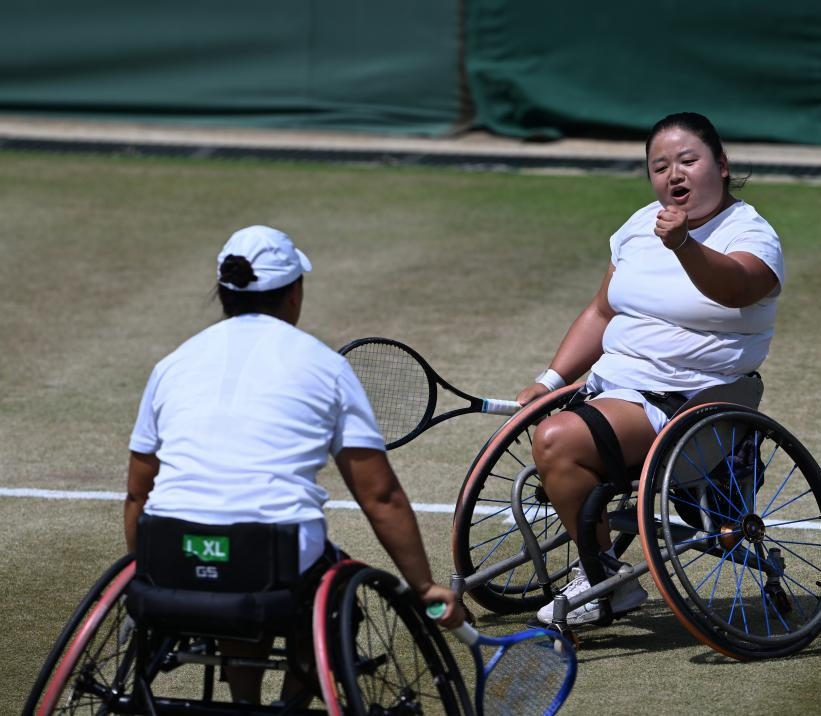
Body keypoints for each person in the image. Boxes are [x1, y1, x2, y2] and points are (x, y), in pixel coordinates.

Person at [123, 225, 462, 704]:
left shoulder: (171, 365)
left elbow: (138, 493)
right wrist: (423, 585)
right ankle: (290, 706)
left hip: (168, 554)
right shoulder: (326, 367)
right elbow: (380, 496)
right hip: (268, 557)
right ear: (294, 293)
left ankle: (244, 703)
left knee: (236, 574)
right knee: (322, 593)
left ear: (223, 292)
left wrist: (147, 574)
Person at [517, 112, 784, 626]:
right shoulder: (641, 224)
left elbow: (735, 288)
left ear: (722, 165)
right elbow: (602, 312)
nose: (673, 175)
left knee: (556, 441)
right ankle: (601, 563)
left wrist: (684, 244)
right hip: (613, 390)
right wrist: (550, 381)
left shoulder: (750, 232)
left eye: (688, 161)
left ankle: (603, 582)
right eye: (660, 167)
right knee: (555, 430)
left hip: (687, 400)